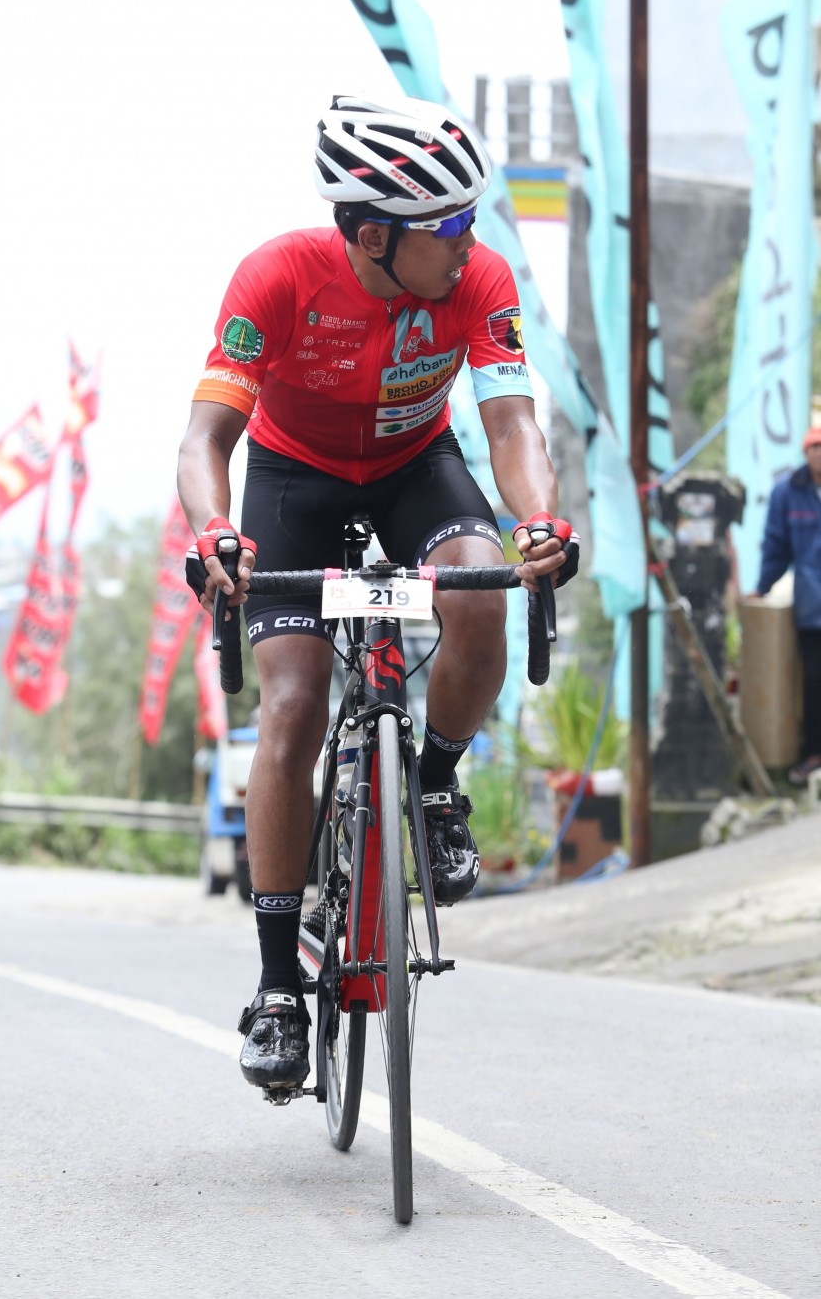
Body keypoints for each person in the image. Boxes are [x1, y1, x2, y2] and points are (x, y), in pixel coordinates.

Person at [177, 95, 578, 1092]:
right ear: (371, 236)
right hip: (293, 484)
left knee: (478, 592)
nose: (469, 240)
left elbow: (511, 423)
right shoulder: (276, 278)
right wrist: (215, 530)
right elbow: (205, 440)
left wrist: (536, 520)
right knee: (292, 705)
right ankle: (279, 987)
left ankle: (433, 786)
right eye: (449, 224)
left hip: (414, 469)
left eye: (471, 217)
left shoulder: (477, 280)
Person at [756, 425, 821, 786]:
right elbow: (776, 546)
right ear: (805, 452)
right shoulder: (788, 492)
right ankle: (814, 753)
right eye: (815, 447)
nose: (820, 454)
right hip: (813, 607)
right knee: (813, 681)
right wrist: (761, 587)